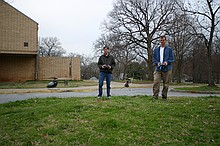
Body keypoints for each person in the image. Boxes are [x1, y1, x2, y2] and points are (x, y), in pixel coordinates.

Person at [152, 35, 174, 100]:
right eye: (161, 40)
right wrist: (157, 63)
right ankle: (155, 96)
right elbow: (154, 59)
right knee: (156, 82)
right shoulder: (156, 50)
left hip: (167, 69)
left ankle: (164, 96)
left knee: (166, 84)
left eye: (163, 40)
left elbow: (172, 59)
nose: (162, 41)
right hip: (158, 68)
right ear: (160, 41)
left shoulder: (169, 50)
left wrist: (167, 62)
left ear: (165, 41)